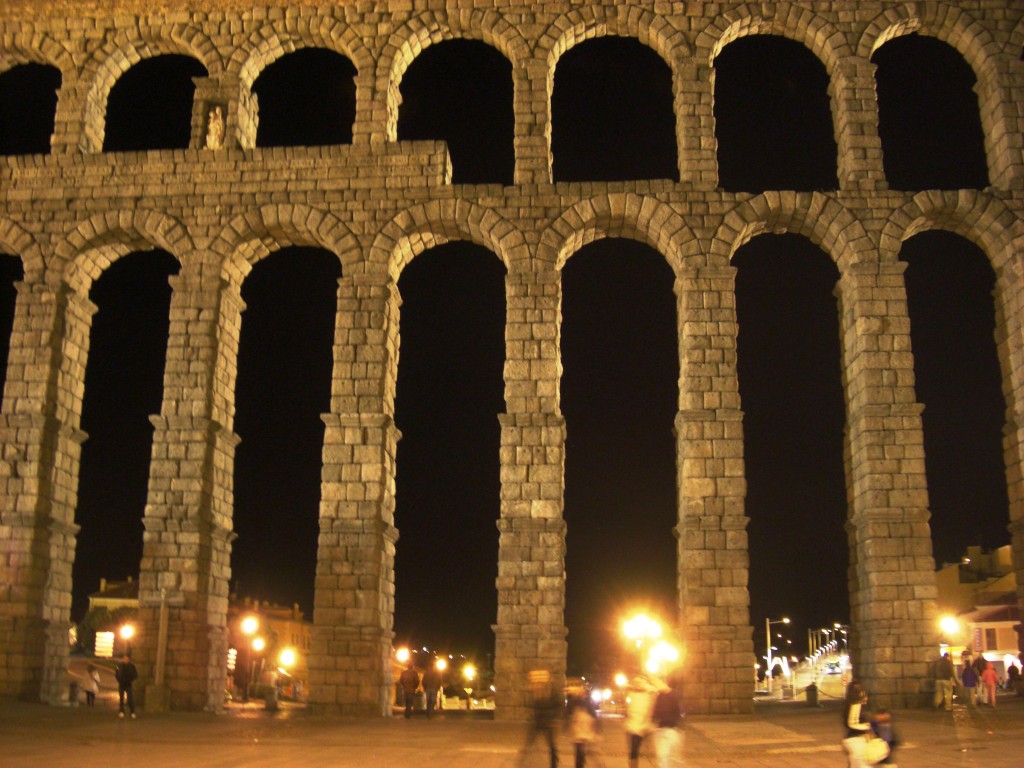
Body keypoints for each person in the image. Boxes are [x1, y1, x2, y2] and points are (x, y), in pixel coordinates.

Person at [519, 669, 562, 768]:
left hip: (549, 722)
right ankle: (523, 763)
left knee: (552, 746)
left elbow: (559, 705)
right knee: (529, 743)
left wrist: (555, 718)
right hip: (538, 722)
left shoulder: (552, 690)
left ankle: (554, 764)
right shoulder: (536, 690)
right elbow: (533, 704)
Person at [624, 675, 658, 768]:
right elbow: (625, 686)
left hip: (643, 726)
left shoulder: (648, 694)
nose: (638, 685)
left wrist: (644, 685)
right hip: (632, 726)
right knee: (633, 749)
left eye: (640, 683)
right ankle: (633, 765)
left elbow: (655, 690)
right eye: (636, 683)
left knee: (637, 749)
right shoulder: (632, 694)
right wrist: (633, 686)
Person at [650, 676, 684, 768]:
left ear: (663, 682)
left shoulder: (675, 694)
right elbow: (655, 713)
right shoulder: (659, 696)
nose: (656, 686)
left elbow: (681, 712)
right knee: (662, 756)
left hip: (671, 730)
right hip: (660, 730)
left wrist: (680, 727)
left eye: (657, 683)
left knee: (669, 757)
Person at [564, 682, 600, 768]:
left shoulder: (585, 702)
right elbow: (568, 711)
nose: (580, 692)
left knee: (582, 751)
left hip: (584, 730)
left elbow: (593, 715)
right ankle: (580, 764)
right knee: (579, 751)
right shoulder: (576, 701)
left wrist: (596, 727)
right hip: (578, 730)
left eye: (581, 691)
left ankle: (582, 763)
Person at [115, 655, 138, 719]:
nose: (125, 660)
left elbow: (135, 675)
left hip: (128, 684)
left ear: (129, 659)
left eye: (127, 659)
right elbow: (116, 673)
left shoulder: (132, 666)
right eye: (124, 658)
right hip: (121, 684)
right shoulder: (119, 665)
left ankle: (132, 712)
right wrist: (119, 680)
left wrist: (130, 679)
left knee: (130, 698)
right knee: (121, 698)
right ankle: (121, 711)